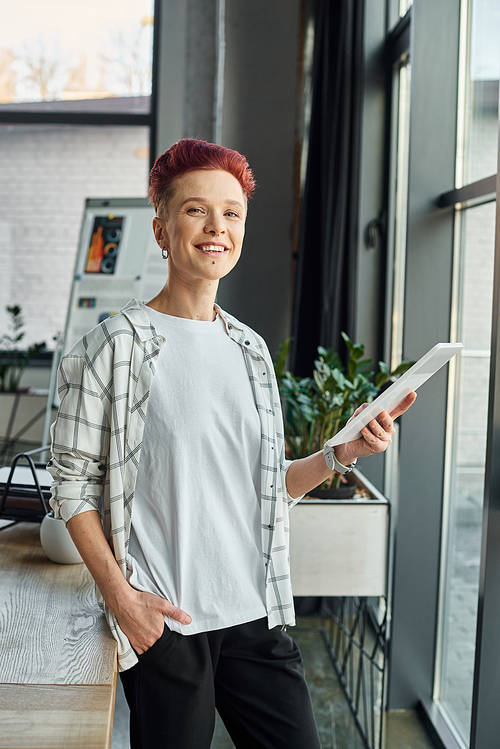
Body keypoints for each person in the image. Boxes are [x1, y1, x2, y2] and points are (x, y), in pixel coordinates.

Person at [48, 138, 415, 749]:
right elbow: (73, 486)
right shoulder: (113, 346)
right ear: (162, 226)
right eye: (196, 210)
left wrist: (340, 453)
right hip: (167, 622)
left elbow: (267, 485)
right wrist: (125, 602)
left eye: (232, 212)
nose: (217, 227)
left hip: (254, 613)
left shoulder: (249, 350)